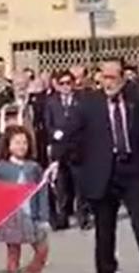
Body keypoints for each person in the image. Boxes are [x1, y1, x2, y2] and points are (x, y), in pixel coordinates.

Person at [62, 61, 139, 273]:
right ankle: (106, 268)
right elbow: (70, 136)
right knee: (104, 228)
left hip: (131, 171)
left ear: (122, 79)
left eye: (112, 77)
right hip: (103, 173)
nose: (108, 82)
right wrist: (76, 164)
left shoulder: (134, 102)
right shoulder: (89, 103)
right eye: (104, 77)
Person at [0, 126, 50, 273]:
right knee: (13, 253)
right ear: (8, 145)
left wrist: (44, 216)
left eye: (24, 142)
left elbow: (41, 191)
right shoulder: (1, 168)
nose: (21, 146)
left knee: (42, 249)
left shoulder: (34, 167)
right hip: (11, 217)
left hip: (32, 215)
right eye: (17, 143)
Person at [44, 70, 83, 230]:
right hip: (59, 148)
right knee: (61, 185)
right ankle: (63, 217)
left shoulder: (81, 100)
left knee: (80, 184)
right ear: (57, 85)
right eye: (63, 83)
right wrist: (54, 133)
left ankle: (83, 216)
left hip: (77, 147)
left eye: (69, 83)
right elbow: (48, 123)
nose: (66, 86)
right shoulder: (51, 102)